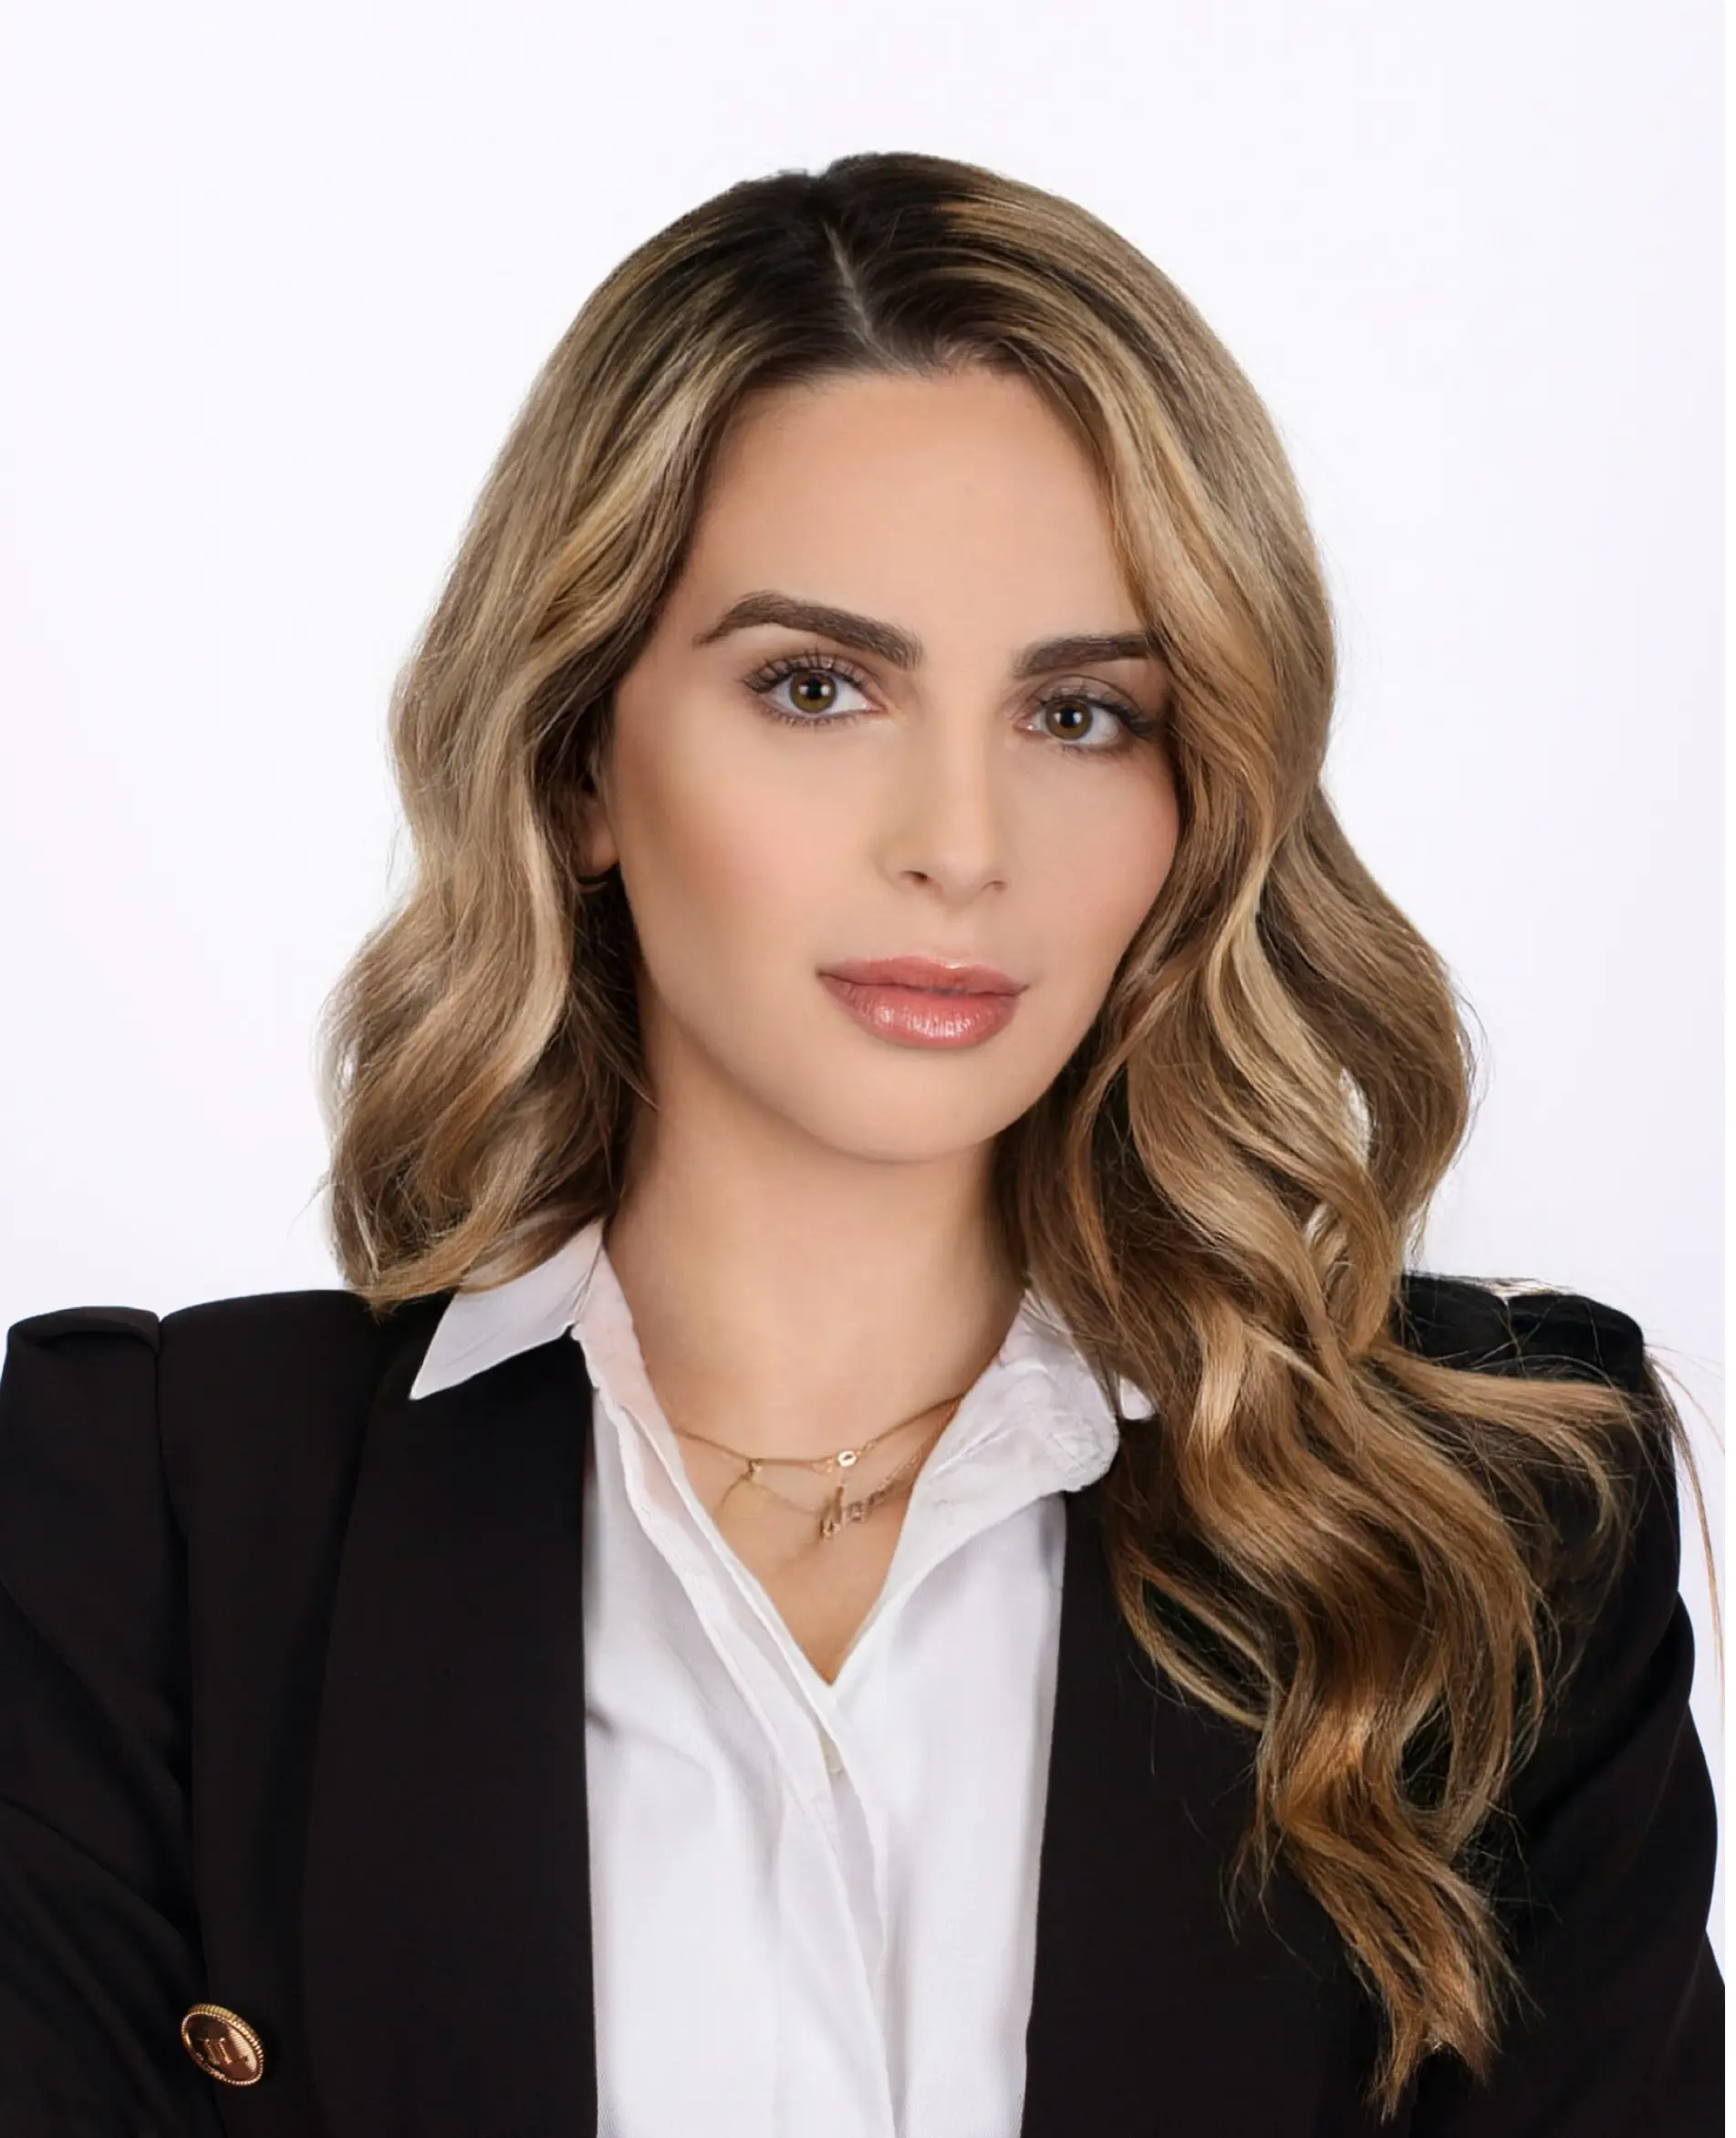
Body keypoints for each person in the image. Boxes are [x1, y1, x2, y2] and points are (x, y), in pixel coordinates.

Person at [0, 151, 1720, 2138]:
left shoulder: (1492, 1526)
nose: (960, 845)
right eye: (816, 687)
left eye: (1081, 714)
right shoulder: (148, 1518)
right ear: (579, 761)